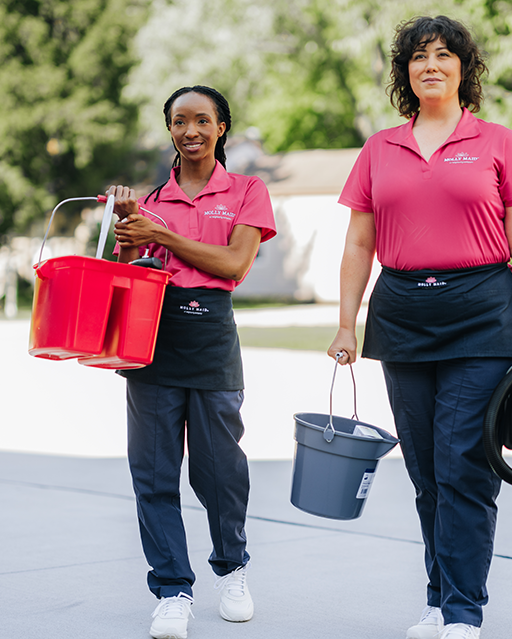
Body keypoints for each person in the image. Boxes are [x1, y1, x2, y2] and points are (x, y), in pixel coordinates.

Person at [328, 15, 512, 639]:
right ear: (405, 72)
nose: (430, 65)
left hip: (481, 309)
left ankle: (464, 612)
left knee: (465, 464)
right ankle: (437, 599)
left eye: (444, 55)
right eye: (418, 57)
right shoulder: (380, 148)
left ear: (465, 68)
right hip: (402, 311)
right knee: (426, 469)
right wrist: (346, 324)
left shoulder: (497, 142)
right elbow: (358, 244)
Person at [106, 85, 276, 639]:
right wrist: (128, 227)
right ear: (170, 130)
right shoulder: (152, 201)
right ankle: (172, 589)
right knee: (153, 472)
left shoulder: (247, 191)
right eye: (180, 121)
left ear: (221, 127)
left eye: (203, 120)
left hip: (210, 335)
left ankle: (232, 569)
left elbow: (231, 264)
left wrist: (162, 234)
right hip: (152, 340)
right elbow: (129, 272)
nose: (191, 131)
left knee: (219, 468)